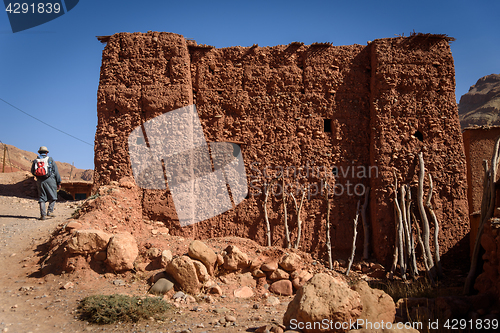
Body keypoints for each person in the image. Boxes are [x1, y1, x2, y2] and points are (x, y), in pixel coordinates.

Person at [31, 146, 61, 220]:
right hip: (50, 180)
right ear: (46, 152)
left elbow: (32, 171)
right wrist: (58, 182)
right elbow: (56, 171)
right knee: (53, 196)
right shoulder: (50, 159)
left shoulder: (36, 161)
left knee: (42, 198)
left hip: (39, 181)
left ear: (39, 152)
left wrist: (39, 177)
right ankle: (50, 211)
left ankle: (42, 215)